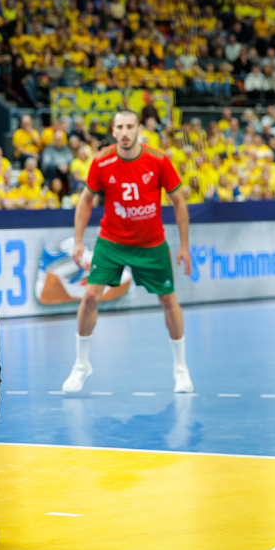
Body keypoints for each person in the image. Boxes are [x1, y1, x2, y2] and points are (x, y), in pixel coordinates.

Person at [61, 110, 194, 394]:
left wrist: (184, 245)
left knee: (169, 302)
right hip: (112, 242)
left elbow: (179, 203)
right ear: (113, 131)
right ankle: (82, 365)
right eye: (119, 127)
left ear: (138, 131)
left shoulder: (158, 160)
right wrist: (77, 240)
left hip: (151, 244)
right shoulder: (102, 161)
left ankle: (181, 370)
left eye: (129, 126)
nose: (124, 132)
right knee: (89, 299)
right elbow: (85, 201)